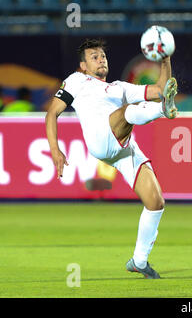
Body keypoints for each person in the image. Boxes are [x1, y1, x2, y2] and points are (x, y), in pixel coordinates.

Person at [45, 38, 178, 279]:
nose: (100, 59)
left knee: (156, 203)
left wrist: (165, 58)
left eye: (103, 56)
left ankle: (139, 261)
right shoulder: (77, 80)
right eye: (94, 57)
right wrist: (55, 149)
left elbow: (160, 89)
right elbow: (52, 112)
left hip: (124, 147)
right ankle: (162, 110)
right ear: (83, 65)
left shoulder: (120, 87)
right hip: (100, 139)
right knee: (129, 111)